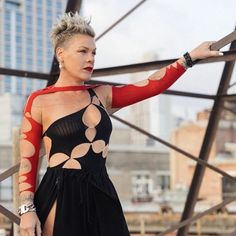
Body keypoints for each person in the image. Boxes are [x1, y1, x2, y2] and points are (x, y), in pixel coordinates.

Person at [18, 12, 223, 236]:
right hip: (60, 194)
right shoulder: (40, 101)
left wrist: (189, 58)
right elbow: (27, 163)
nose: (91, 59)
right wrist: (27, 210)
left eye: (94, 52)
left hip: (102, 191)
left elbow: (151, 86)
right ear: (61, 54)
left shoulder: (101, 94)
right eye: (83, 51)